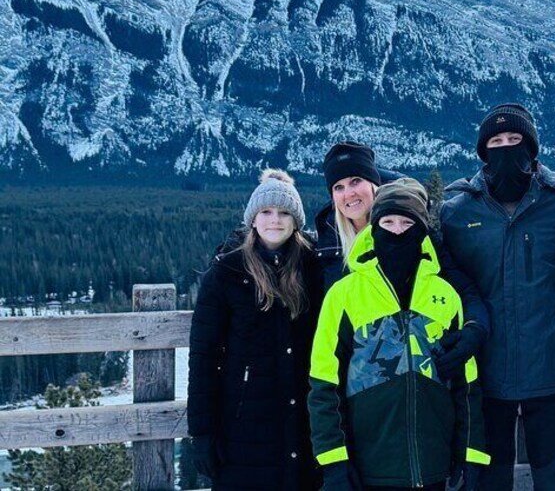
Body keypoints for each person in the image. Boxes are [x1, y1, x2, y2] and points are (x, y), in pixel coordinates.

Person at [439, 103, 555, 491]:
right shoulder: (457, 211)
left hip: (553, 375)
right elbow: (440, 277)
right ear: (483, 151)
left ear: (532, 148)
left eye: (515, 140)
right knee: (489, 481)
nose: (506, 148)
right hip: (486, 375)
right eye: (496, 141)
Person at [309, 178, 490, 491]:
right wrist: (334, 462)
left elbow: (467, 386)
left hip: (434, 465)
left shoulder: (445, 295)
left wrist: (471, 454)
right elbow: (323, 384)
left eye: (408, 222)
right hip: (368, 466)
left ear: (422, 231)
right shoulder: (344, 295)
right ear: (374, 226)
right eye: (388, 221)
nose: (397, 231)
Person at [187, 169, 323, 490]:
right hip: (243, 427)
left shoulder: (314, 269)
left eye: (283, 212)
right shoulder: (226, 273)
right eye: (266, 211)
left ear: (296, 220)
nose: (274, 220)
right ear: (252, 218)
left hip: (306, 423)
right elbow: (203, 357)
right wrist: (202, 433)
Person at [317, 141, 490, 381]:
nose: (349, 193)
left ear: (373, 184)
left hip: (415, 374)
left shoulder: (412, 235)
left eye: (356, 181)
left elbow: (462, 288)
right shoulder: (328, 243)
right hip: (354, 380)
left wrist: (474, 327)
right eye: (339, 187)